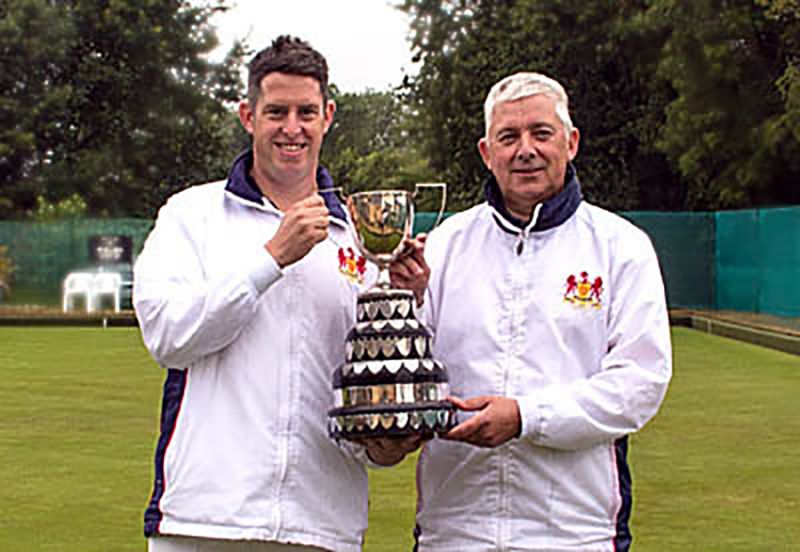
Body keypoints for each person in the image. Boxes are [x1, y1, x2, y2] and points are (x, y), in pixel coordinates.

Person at [390, 72, 673, 551]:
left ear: (571, 142)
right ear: (486, 152)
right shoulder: (443, 247)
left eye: (541, 133)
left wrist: (526, 417)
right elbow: (413, 381)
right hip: (453, 534)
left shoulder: (621, 247)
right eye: (508, 137)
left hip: (575, 535)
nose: (525, 150)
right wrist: (405, 303)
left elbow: (639, 385)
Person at [134, 35, 395, 552]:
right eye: (276, 111)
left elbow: (360, 382)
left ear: (328, 116)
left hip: (323, 522)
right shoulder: (192, 214)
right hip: (205, 520)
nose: (292, 128)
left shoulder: (361, 235)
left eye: (306, 111)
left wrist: (383, 442)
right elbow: (167, 337)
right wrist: (270, 258)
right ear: (248, 115)